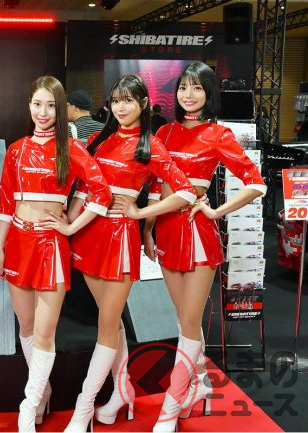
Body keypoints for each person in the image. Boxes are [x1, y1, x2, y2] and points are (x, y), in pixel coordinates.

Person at [64, 74, 196, 432]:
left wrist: (140, 214)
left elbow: (185, 192)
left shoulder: (150, 146)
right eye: (116, 100)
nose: (121, 107)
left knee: (106, 325)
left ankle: (82, 410)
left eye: (129, 100)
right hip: (87, 235)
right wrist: (69, 223)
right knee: (111, 322)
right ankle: (122, 392)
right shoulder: (99, 138)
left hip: (119, 240)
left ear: (143, 104)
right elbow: (82, 187)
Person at [145, 62, 266, 431]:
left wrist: (216, 211)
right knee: (184, 319)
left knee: (189, 322)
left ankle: (170, 407)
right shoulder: (163, 132)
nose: (189, 94)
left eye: (197, 87)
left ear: (209, 93)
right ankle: (198, 383)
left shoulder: (218, 134)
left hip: (197, 233)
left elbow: (256, 184)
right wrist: (147, 229)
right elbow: (155, 185)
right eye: (184, 87)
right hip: (165, 232)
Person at [0, 76, 112, 432]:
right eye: (37, 104)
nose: (43, 112)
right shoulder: (16, 149)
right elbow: (6, 202)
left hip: (51, 246)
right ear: (29, 106)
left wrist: (71, 226)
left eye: (50, 106)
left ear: (60, 110)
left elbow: (101, 192)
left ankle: (26, 409)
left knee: (45, 334)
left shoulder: (70, 149)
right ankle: (42, 390)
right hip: (17, 244)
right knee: (27, 327)